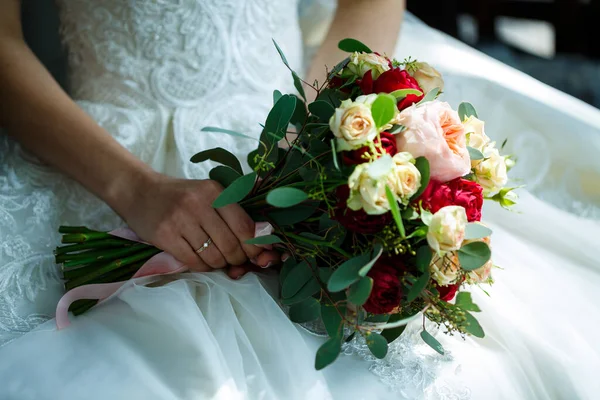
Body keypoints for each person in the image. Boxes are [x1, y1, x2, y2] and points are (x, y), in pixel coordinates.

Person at [0, 0, 599, 399]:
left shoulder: (311, 136)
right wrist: (134, 189)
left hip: (301, 106)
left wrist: (317, 150)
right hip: (102, 150)